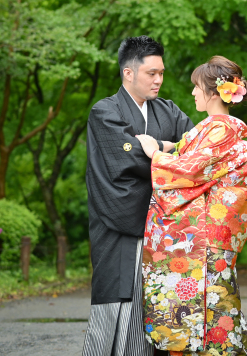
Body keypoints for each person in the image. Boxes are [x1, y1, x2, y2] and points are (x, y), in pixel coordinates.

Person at [135, 56, 247, 356]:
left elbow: (189, 170)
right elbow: (185, 149)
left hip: (206, 237)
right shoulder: (214, 129)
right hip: (212, 236)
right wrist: (169, 147)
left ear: (215, 92)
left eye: (197, 87)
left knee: (208, 310)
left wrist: (155, 153)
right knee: (207, 309)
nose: (193, 93)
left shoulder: (222, 129)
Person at [83, 36, 194, 356]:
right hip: (120, 224)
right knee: (116, 309)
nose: (159, 80)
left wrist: (156, 147)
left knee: (160, 305)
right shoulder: (104, 112)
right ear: (128, 73)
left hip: (162, 231)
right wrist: (168, 154)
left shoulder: (169, 111)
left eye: (162, 73)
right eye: (152, 73)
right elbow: (126, 163)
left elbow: (196, 152)